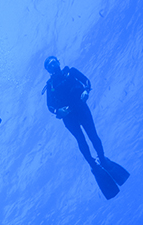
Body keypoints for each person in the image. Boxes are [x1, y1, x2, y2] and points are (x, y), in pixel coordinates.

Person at [43, 56, 129, 199]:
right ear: (48, 70)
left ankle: (102, 159)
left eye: (54, 62)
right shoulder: (50, 85)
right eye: (49, 65)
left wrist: (86, 91)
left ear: (58, 61)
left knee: (93, 135)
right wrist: (58, 111)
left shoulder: (71, 71)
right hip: (68, 116)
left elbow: (86, 81)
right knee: (81, 140)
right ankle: (94, 166)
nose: (53, 65)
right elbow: (49, 106)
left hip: (82, 108)